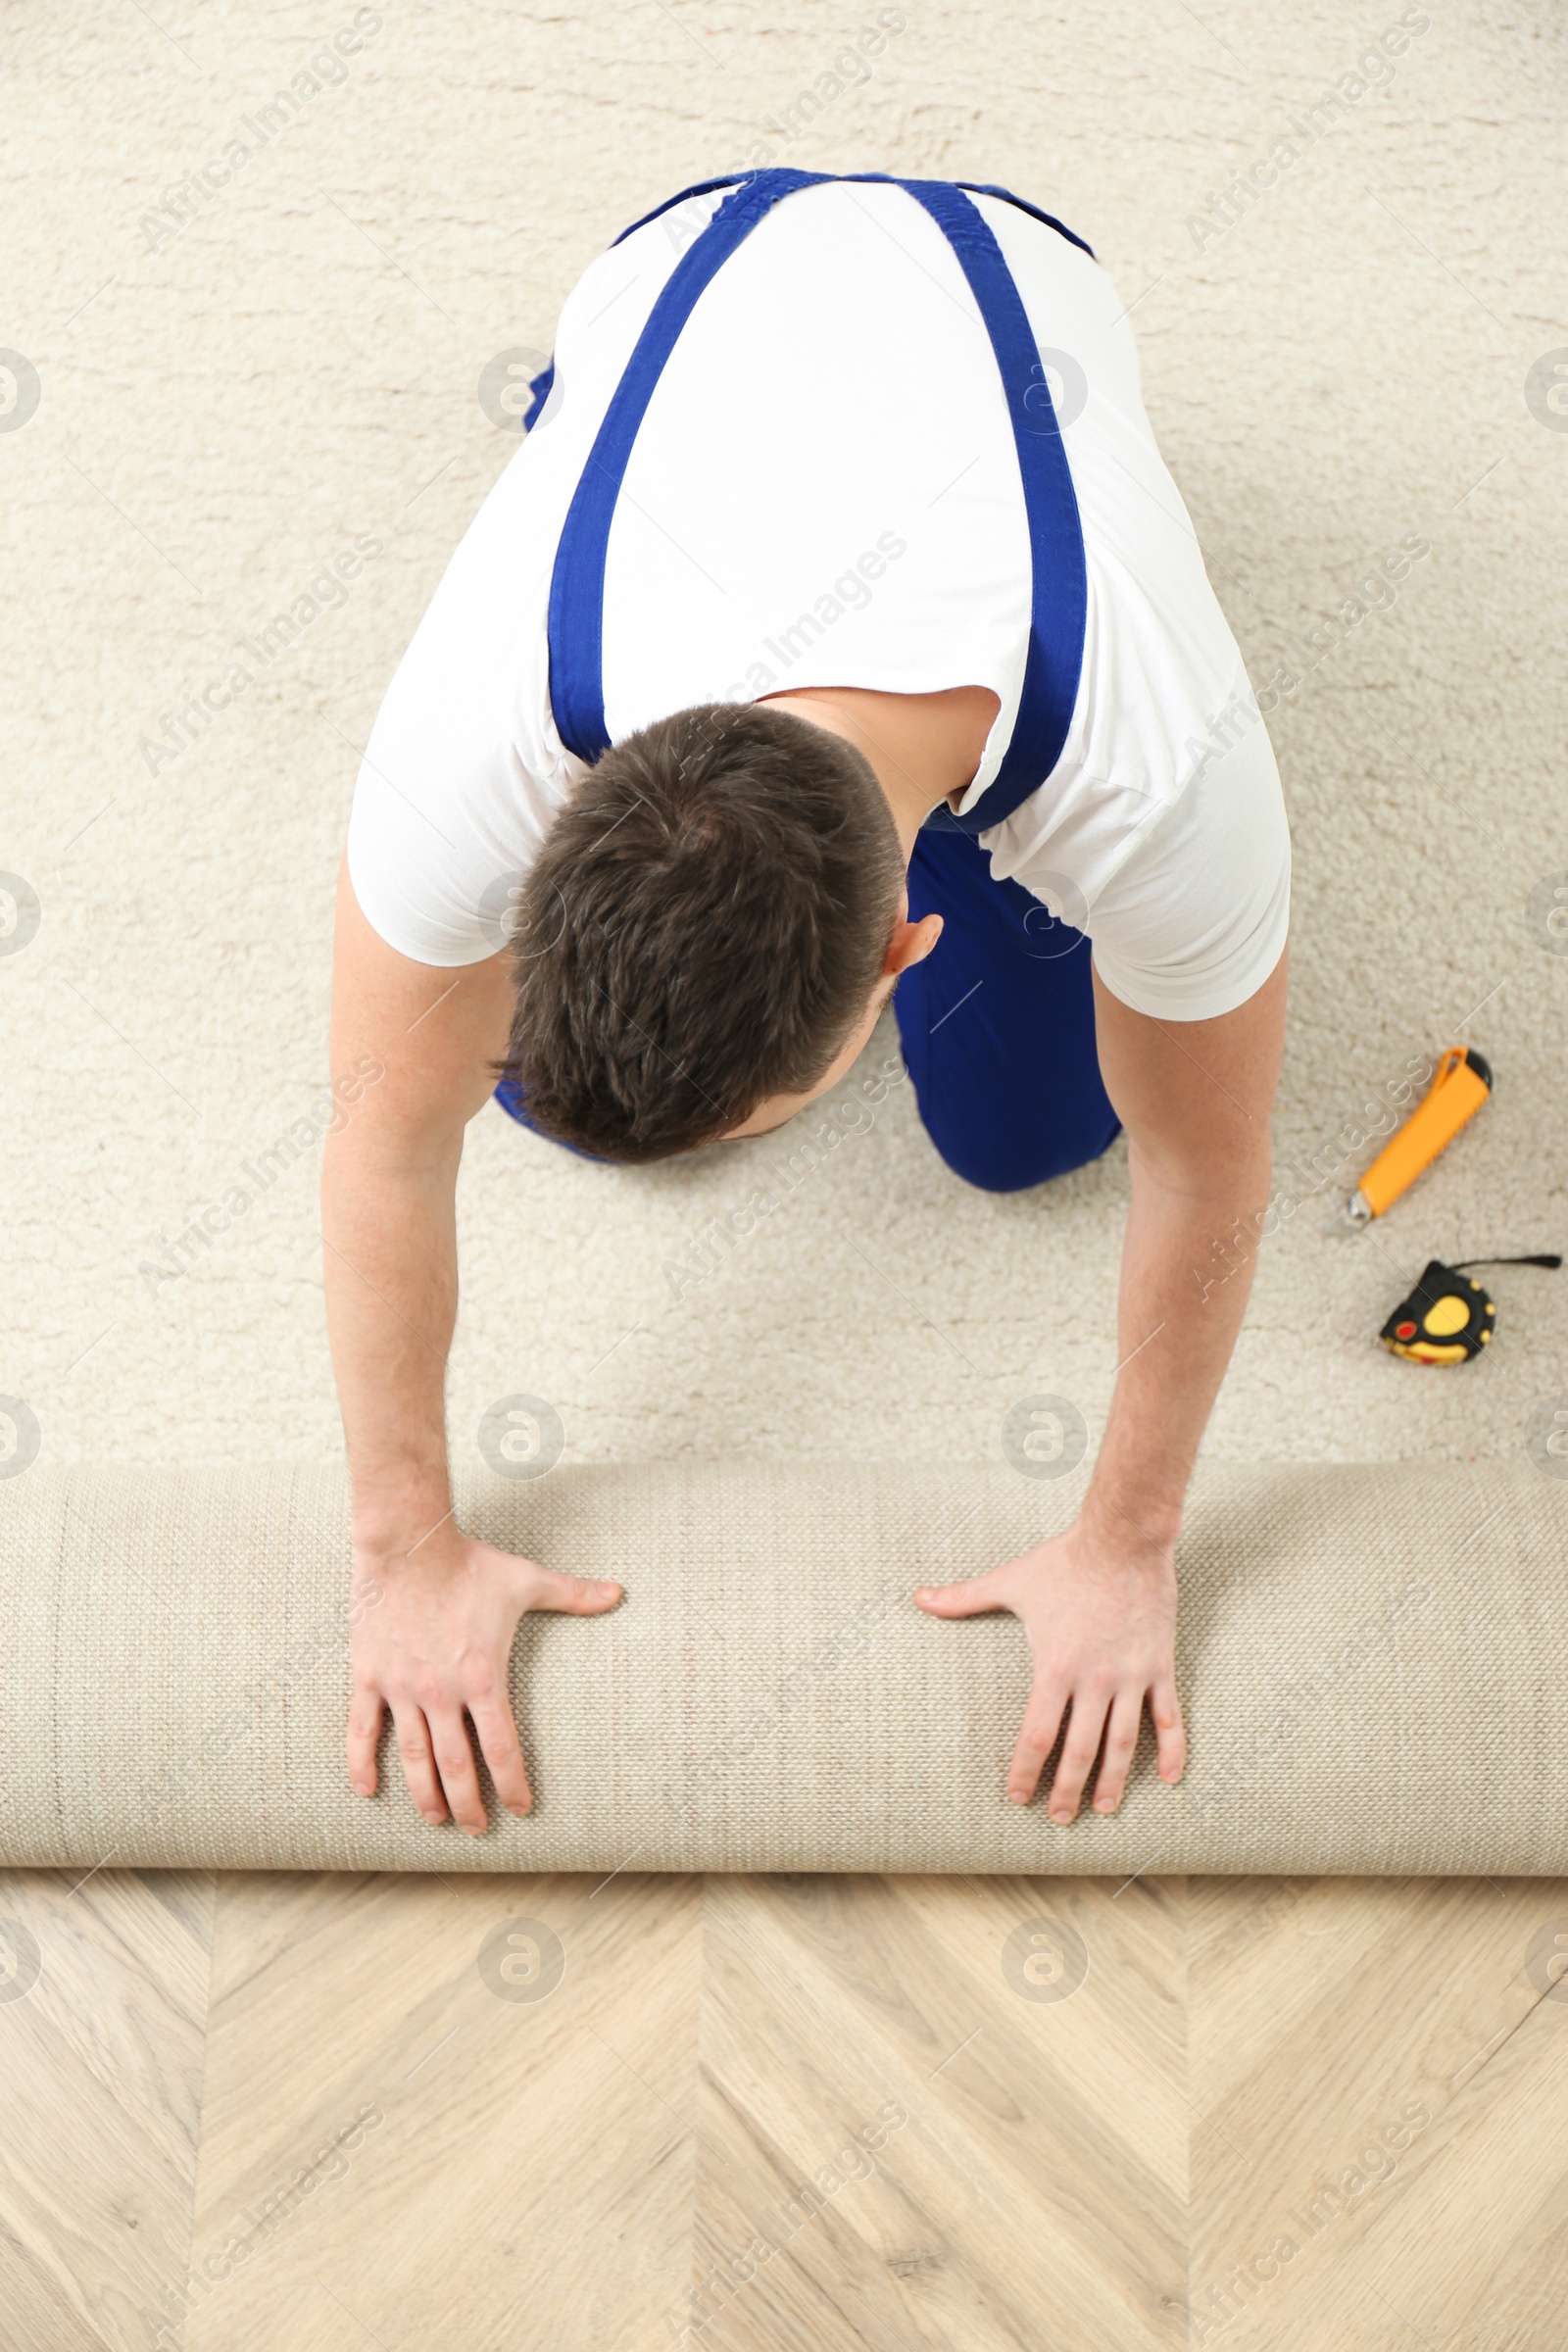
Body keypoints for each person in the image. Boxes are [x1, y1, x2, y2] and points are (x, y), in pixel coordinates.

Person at [324, 168, 1290, 1838]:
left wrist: (1127, 1546)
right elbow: (378, 1141)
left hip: (1020, 285)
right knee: (560, 1096)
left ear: (909, 942)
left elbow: (1208, 1177)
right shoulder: (477, 731)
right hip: (676, 254)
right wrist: (404, 1553)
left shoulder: (1163, 773)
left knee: (1021, 1137)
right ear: (557, 849)